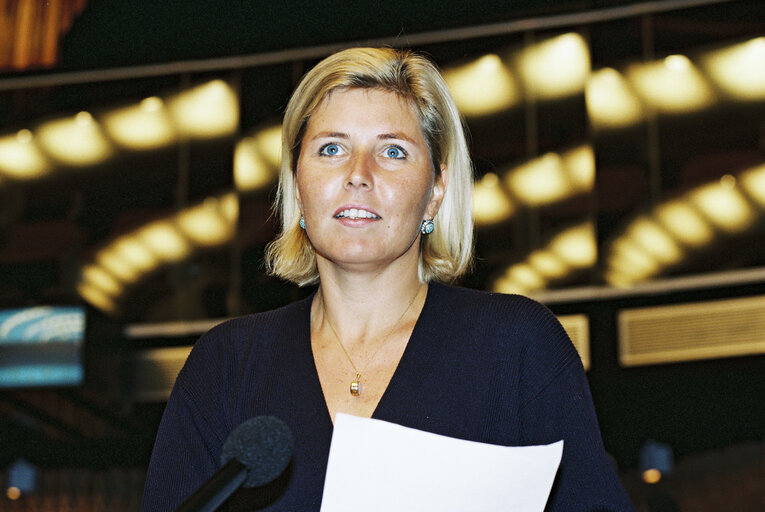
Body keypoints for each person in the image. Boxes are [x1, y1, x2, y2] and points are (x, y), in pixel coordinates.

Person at [141, 47, 634, 511]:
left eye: (393, 152)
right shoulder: (226, 365)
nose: (358, 174)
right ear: (298, 183)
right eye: (331, 149)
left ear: (436, 190)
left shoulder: (518, 347)